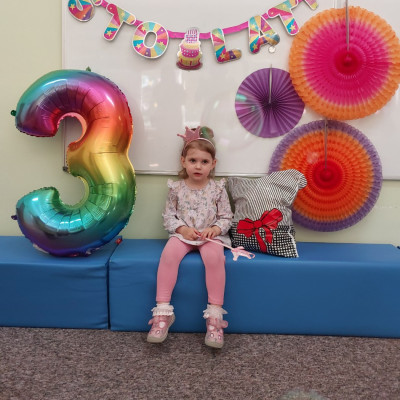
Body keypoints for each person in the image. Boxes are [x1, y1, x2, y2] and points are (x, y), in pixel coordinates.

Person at [147, 126, 233, 348]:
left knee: (215, 259)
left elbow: (226, 217)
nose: (198, 166)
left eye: (204, 162)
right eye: (193, 160)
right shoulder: (176, 188)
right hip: (184, 235)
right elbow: (169, 216)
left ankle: (214, 317)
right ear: (183, 161)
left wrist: (215, 229)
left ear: (213, 164)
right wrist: (182, 229)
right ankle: (162, 313)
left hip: (209, 237)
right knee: (169, 255)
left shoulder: (217, 189)